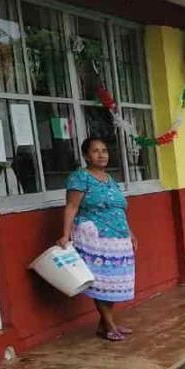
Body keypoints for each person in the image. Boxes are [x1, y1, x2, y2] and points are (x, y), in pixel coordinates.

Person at [57, 137, 137, 341]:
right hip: (94, 238)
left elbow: (118, 208)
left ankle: (105, 325)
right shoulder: (80, 177)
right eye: (95, 151)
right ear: (86, 156)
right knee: (100, 282)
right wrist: (65, 235)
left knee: (114, 282)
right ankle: (110, 326)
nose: (101, 155)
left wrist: (130, 234)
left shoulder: (109, 179)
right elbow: (72, 207)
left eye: (104, 150)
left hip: (118, 238)